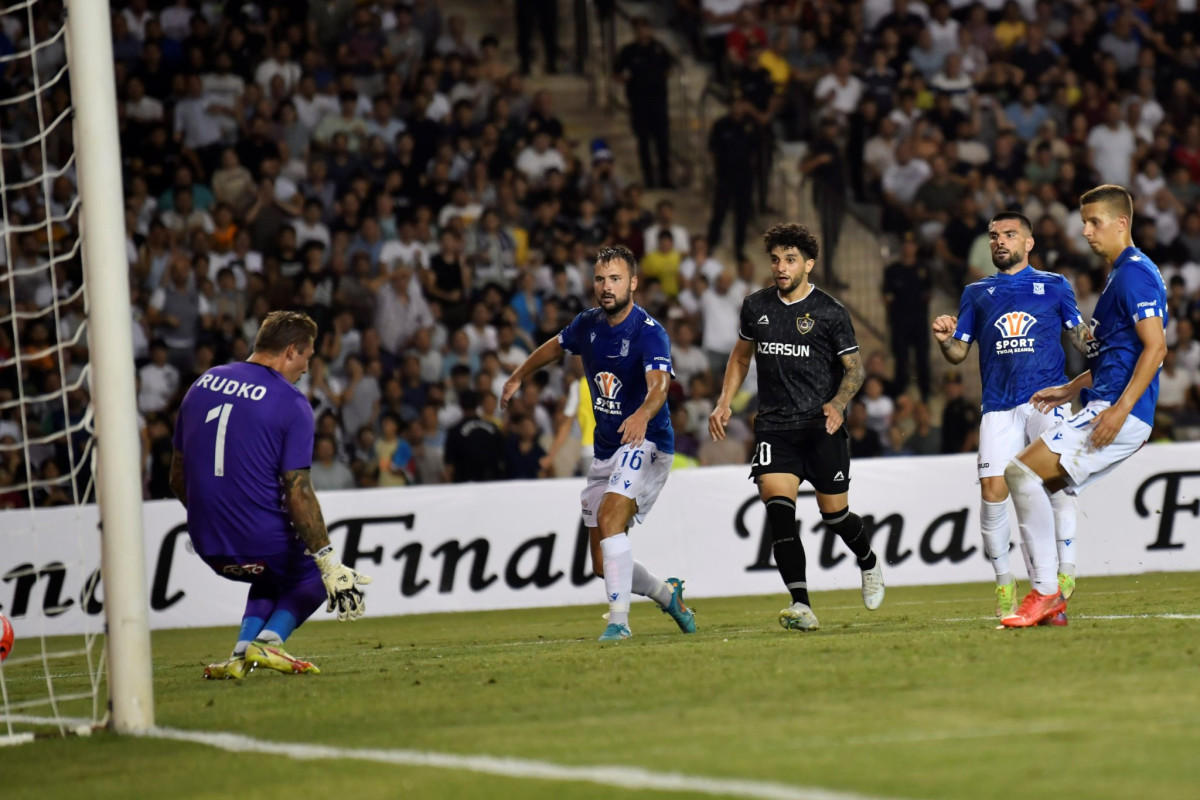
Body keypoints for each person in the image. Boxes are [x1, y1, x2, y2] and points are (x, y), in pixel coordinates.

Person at [501, 245, 695, 641]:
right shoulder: (587, 324)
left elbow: (659, 386)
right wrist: (519, 374)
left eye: (616, 279)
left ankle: (618, 622)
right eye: (601, 279)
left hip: (648, 441)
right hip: (608, 447)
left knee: (609, 520)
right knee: (602, 564)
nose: (607, 287)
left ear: (633, 283)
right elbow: (554, 347)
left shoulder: (649, 332)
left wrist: (642, 414)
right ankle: (667, 594)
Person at [170, 311, 372, 679]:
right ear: (292, 351)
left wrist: (211, 516)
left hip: (207, 543)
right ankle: (272, 641)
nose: (307, 369)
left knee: (273, 571)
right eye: (307, 358)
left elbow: (177, 476)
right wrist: (329, 562)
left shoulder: (203, 383)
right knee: (314, 569)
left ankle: (240, 654)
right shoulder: (291, 403)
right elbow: (299, 492)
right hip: (257, 542)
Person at [1000, 185, 1167, 628]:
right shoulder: (1123, 274)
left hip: (1117, 409)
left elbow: (1156, 348)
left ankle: (1046, 594)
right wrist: (1071, 386)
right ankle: (1054, 599)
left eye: (1095, 222)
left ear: (1121, 223)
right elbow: (1120, 354)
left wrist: (1118, 409)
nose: (1086, 230)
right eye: (1084, 221)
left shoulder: (1135, 275)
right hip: (1107, 401)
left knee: (1021, 472)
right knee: (1053, 487)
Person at [708, 223, 884, 632]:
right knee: (779, 512)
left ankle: (868, 561)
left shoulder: (830, 312)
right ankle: (801, 603)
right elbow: (739, 358)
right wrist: (723, 402)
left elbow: (854, 370)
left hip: (821, 426)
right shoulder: (755, 306)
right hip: (774, 427)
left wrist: (839, 403)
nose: (781, 267)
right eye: (775, 259)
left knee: (835, 516)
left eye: (790, 260)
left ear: (809, 264)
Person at [932, 212, 1091, 620]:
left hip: (1046, 400)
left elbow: (1081, 338)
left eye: (1009, 234)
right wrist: (945, 340)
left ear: (1028, 243)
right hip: (999, 406)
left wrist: (1102, 339)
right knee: (992, 491)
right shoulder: (976, 292)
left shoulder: (1055, 286)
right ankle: (1005, 580)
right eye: (994, 236)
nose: (1000, 241)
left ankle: (1064, 573)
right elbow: (957, 355)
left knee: (1055, 482)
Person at [614, 16, 674, 189]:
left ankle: (665, 177)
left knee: (662, 141)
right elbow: (616, 72)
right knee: (643, 141)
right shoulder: (629, 51)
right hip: (639, 102)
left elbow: (669, 67)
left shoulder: (659, 48)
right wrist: (629, 82)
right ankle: (648, 178)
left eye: (645, 27)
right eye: (639, 28)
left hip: (658, 100)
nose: (642, 32)